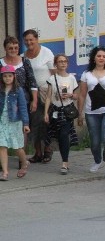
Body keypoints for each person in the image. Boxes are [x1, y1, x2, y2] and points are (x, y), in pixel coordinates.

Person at [78, 46, 105, 181]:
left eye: (104, 56)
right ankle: (97, 160)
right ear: (94, 58)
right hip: (91, 112)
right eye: (99, 56)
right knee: (95, 142)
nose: (101, 58)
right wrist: (80, 114)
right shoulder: (86, 74)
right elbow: (82, 95)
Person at [22, 30, 55, 164]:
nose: (29, 42)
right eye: (26, 40)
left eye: (31, 40)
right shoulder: (23, 56)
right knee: (34, 123)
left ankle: (47, 149)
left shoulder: (46, 53)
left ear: (37, 39)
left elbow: (54, 74)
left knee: (46, 122)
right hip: (30, 92)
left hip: (46, 91)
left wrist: (54, 92)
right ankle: (38, 152)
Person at [43, 54, 79, 175]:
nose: (63, 64)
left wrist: (70, 95)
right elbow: (48, 96)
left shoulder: (72, 78)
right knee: (55, 135)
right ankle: (49, 152)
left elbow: (76, 96)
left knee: (64, 135)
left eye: (64, 61)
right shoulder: (52, 79)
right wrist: (46, 113)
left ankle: (65, 163)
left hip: (67, 110)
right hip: (55, 109)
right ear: (56, 64)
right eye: (60, 61)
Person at [0, 65, 30, 180]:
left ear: (14, 77)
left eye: (9, 76)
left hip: (14, 121)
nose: (7, 78)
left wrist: (26, 123)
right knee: (2, 146)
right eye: (5, 76)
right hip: (2, 121)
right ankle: (5, 173)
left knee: (17, 147)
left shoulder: (18, 90)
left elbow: (23, 107)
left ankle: (24, 162)